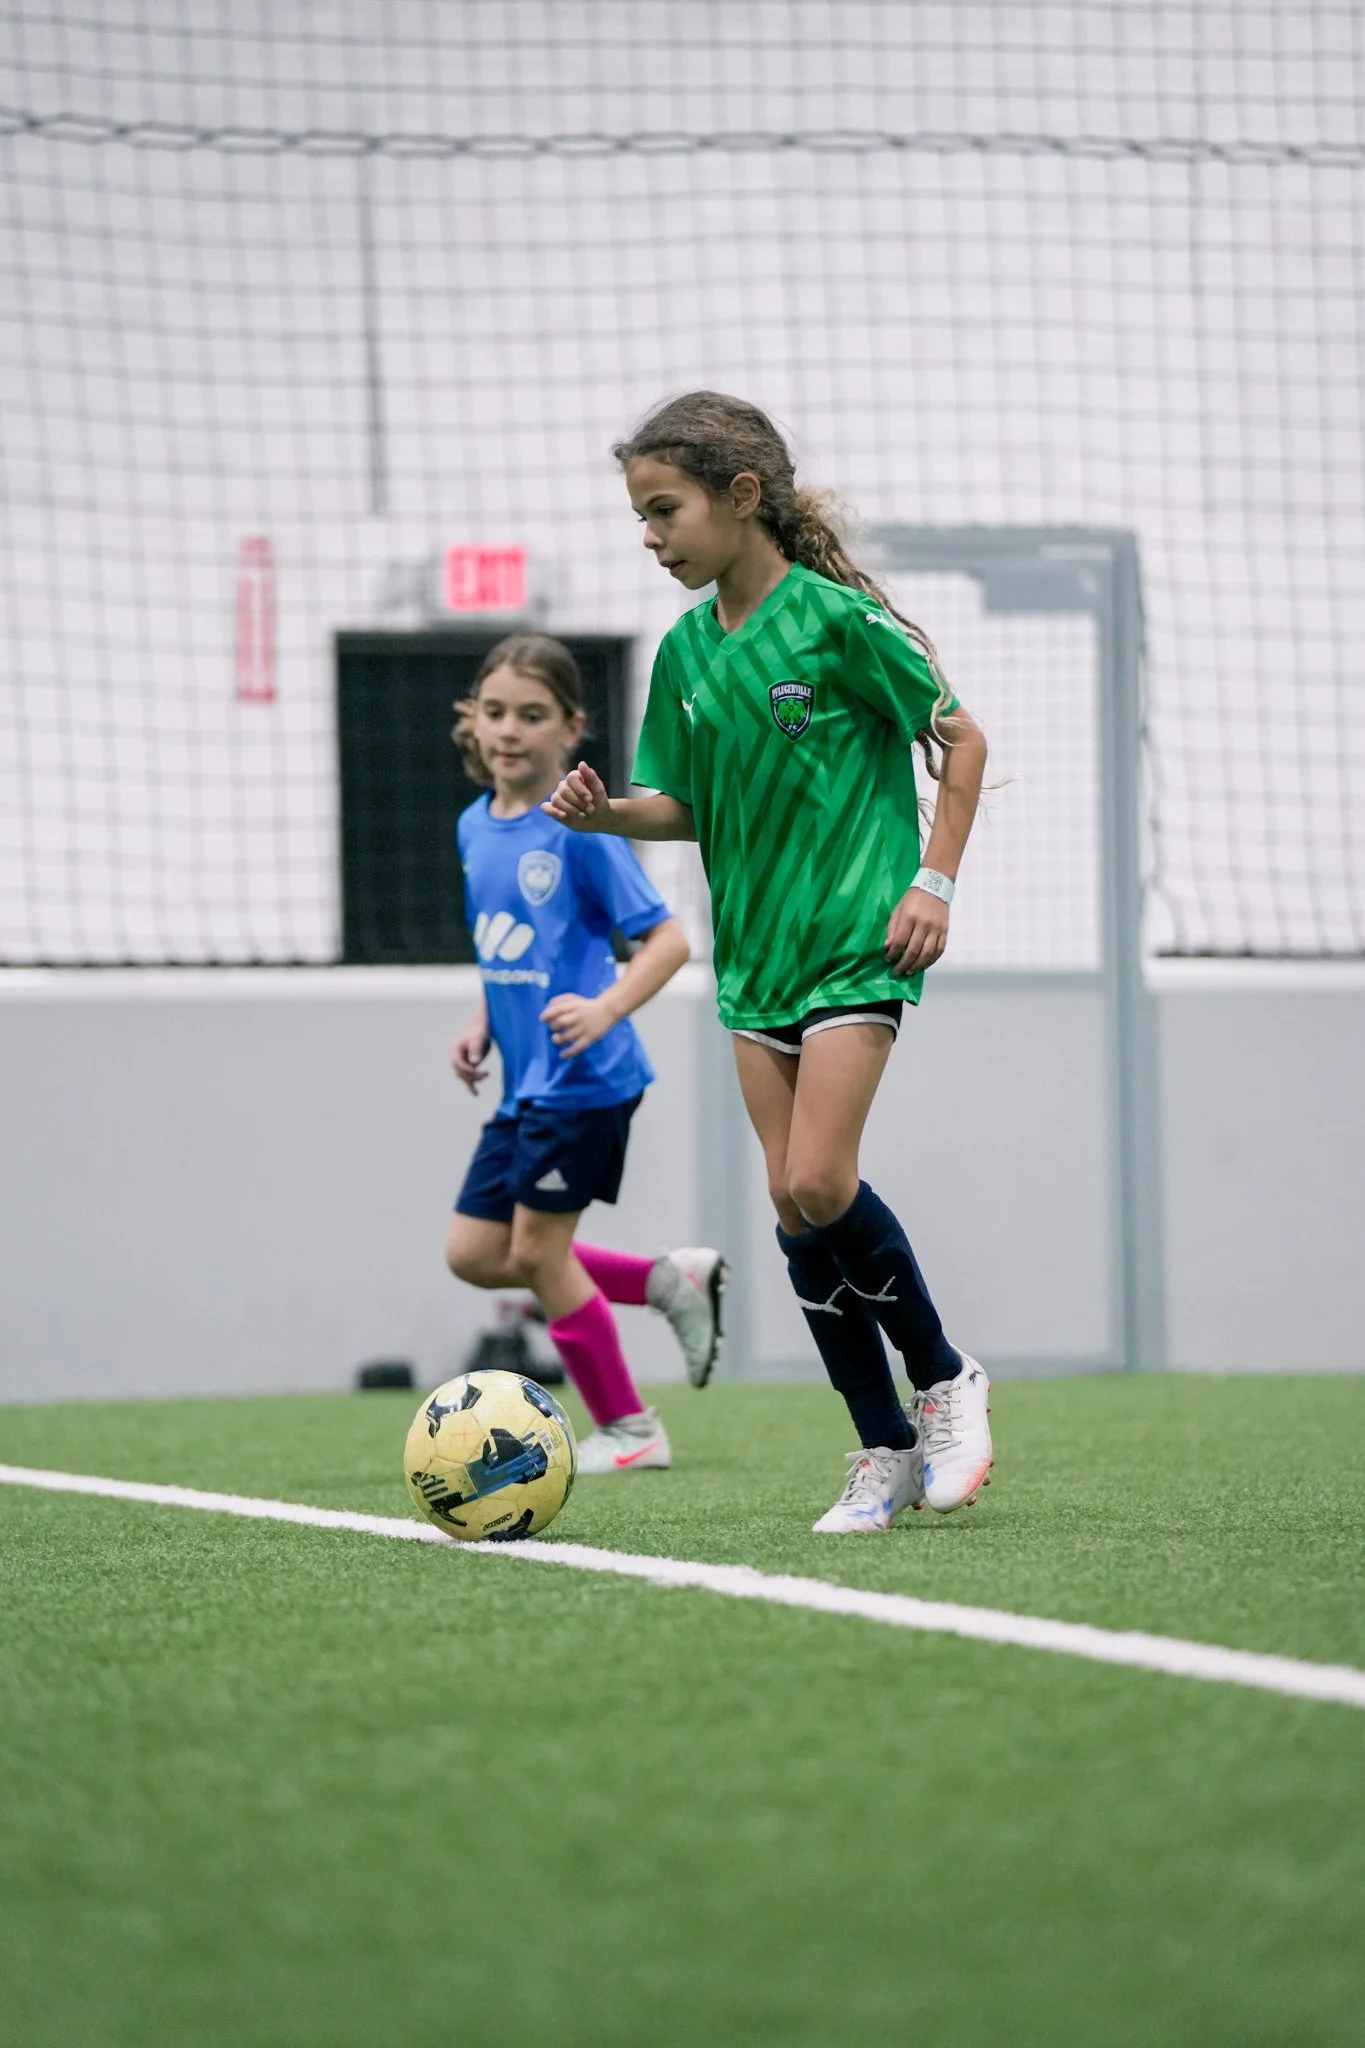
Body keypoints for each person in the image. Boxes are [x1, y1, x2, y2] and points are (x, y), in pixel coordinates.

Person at [543, 392, 992, 1532]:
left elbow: (962, 738)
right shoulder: (690, 650)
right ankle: (880, 1448)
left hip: (854, 939)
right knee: (793, 1211)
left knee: (821, 1180)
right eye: (640, 515)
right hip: (753, 964)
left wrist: (931, 881)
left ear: (743, 497)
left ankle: (942, 1376)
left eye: (664, 509)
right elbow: (685, 805)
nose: (650, 535)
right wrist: (606, 820)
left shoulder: (837, 621)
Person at [445, 631, 728, 1475]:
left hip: (585, 1079)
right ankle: (663, 1281)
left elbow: (669, 940)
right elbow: (508, 948)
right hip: (524, 1085)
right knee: (475, 1255)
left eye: (532, 716)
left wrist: (607, 1007)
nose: (510, 731)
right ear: (473, 720)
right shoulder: (472, 826)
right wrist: (482, 1022)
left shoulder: (581, 831)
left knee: (535, 1254)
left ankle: (631, 1429)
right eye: (495, 712)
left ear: (571, 729)